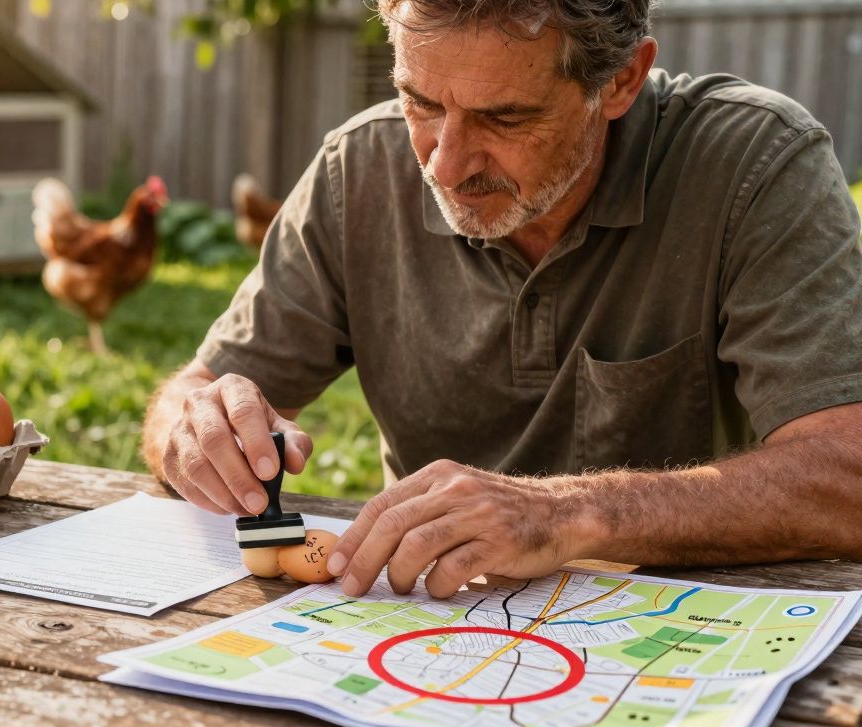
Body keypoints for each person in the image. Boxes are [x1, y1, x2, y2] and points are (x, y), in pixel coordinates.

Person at [141, 0, 862, 600]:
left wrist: (568, 514)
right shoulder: (355, 172)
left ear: (621, 81)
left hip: (691, 635)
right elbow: (191, 394)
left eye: (505, 118)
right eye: (420, 102)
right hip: (424, 629)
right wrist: (195, 427)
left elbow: (846, 473)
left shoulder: (756, 166)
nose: (445, 164)